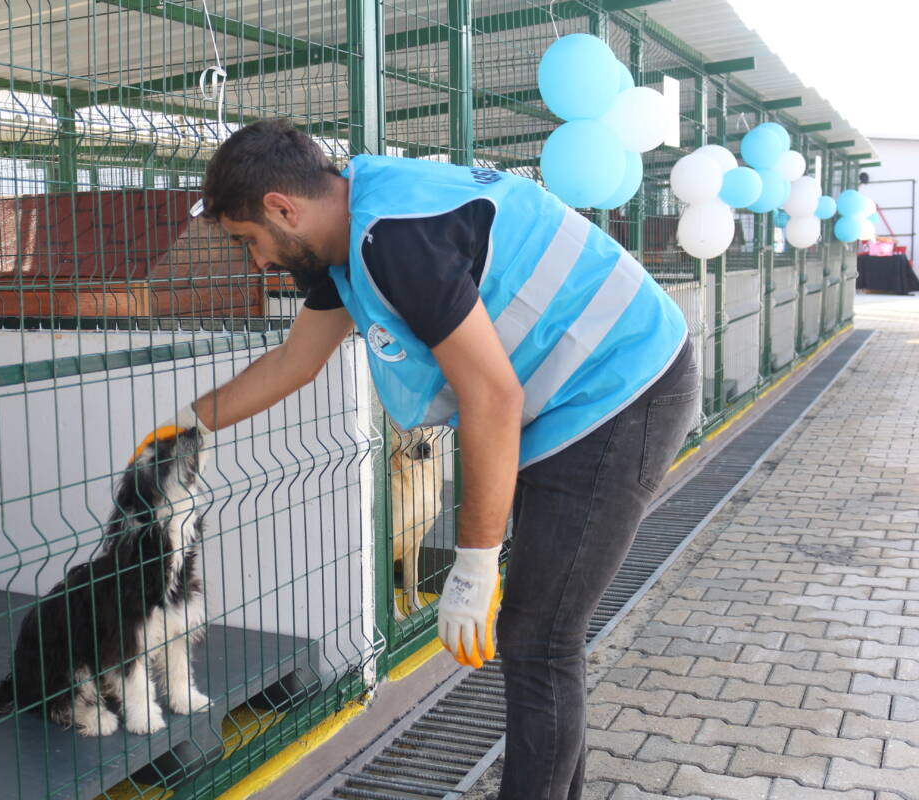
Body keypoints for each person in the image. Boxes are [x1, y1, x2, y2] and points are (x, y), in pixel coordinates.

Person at [146, 119, 698, 800]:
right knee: (539, 637)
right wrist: (190, 424)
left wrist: (473, 566)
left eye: (250, 240)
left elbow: (492, 398)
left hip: (623, 389)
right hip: (575, 398)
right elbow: (296, 361)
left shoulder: (396, 238)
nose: (258, 263)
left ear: (282, 208)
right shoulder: (352, 232)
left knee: (538, 638)